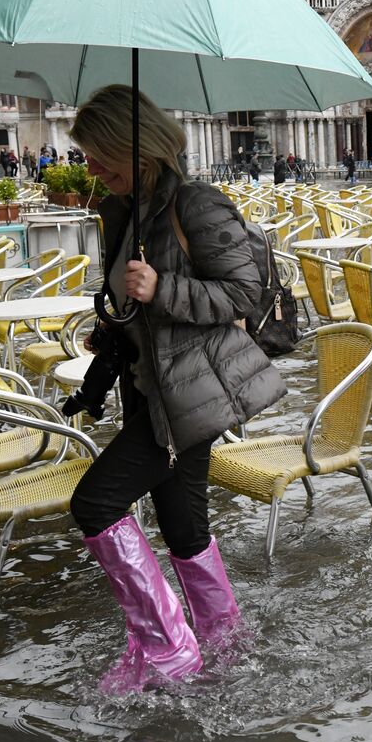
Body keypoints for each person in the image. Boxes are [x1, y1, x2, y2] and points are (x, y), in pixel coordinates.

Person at [67, 84, 286, 692]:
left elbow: (243, 296)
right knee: (181, 521)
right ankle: (220, 634)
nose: (88, 167)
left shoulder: (197, 204)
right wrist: (107, 349)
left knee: (95, 502)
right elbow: (129, 310)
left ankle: (167, 650)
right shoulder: (122, 211)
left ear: (133, 148)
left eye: (96, 153)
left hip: (193, 392)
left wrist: (161, 288)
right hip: (149, 388)